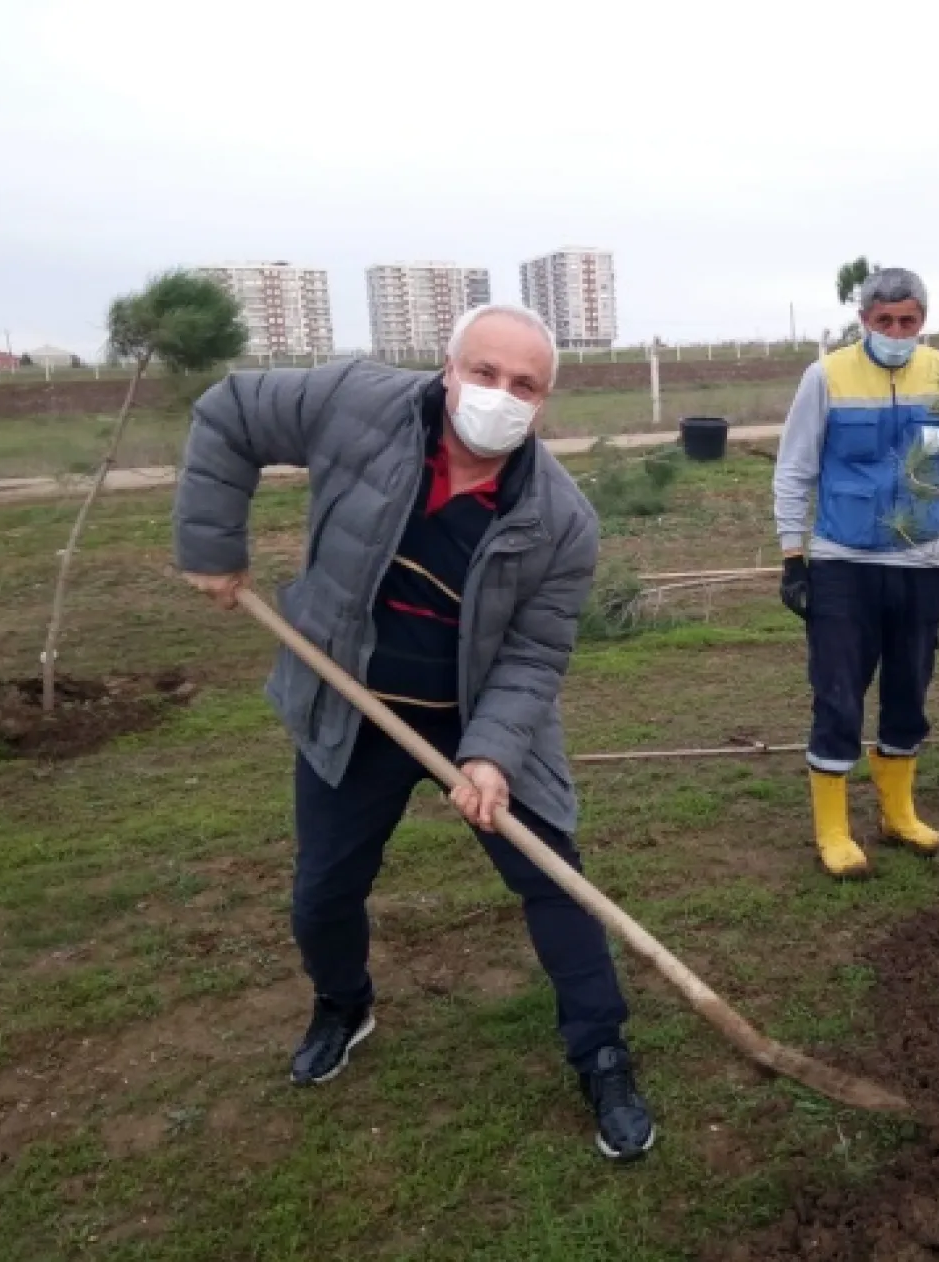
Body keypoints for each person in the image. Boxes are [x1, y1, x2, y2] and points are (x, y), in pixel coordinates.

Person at [171, 305, 655, 1162]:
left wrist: (492, 756)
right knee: (323, 892)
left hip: (476, 719)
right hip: (348, 704)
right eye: (485, 372)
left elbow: (536, 653)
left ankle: (601, 1050)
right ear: (447, 367)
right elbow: (230, 411)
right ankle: (343, 1004)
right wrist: (213, 542)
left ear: (544, 402)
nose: (499, 396)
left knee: (555, 884)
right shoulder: (358, 404)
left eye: (524, 385)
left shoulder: (562, 519)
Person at [773, 268, 939, 879]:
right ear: (864, 319)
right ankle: (835, 832)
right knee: (839, 694)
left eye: (909, 321)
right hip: (844, 564)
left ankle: (899, 815)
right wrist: (793, 556)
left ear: (923, 320)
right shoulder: (827, 376)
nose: (897, 331)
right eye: (884, 320)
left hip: (922, 563)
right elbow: (794, 470)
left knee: (909, 691)